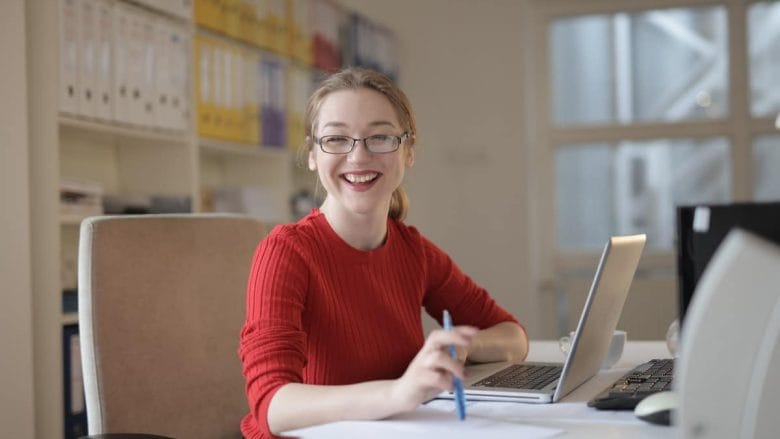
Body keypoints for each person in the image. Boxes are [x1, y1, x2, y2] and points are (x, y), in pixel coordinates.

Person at [238, 67, 529, 438]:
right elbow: (271, 406)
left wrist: (456, 349)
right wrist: (399, 392)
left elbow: (514, 338)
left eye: (380, 137)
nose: (358, 157)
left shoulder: (414, 251)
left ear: (408, 152)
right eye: (336, 139)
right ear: (312, 154)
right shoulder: (286, 253)